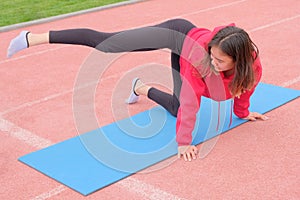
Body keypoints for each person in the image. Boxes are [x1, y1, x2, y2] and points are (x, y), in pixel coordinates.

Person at [7, 18, 268, 162]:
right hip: (176, 35)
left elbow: (245, 89)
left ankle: (140, 88)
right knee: (107, 43)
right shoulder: (202, 60)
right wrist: (184, 142)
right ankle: (31, 37)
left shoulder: (252, 68)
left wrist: (243, 113)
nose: (214, 63)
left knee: (176, 110)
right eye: (213, 56)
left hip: (192, 50)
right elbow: (192, 101)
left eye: (220, 61)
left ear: (240, 61)